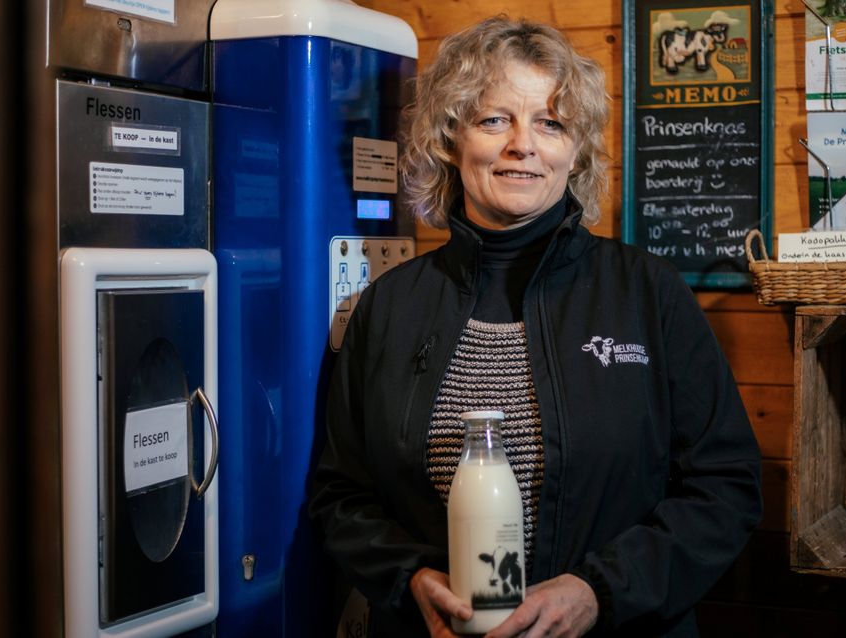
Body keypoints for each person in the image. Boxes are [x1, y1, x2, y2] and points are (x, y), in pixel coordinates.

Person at [309, 16, 762, 638]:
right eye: (495, 119)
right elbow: (342, 497)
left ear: (574, 151)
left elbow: (726, 488)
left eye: (550, 123)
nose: (523, 144)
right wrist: (411, 577)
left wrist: (596, 591)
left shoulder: (646, 293)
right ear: (451, 137)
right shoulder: (389, 306)